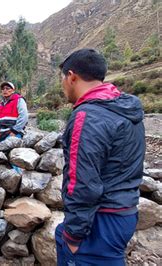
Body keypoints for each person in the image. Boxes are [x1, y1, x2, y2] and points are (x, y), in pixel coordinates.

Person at [55, 48, 145, 265]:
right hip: (125, 213)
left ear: (72, 77)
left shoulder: (87, 116)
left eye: (63, 79)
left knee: (68, 243)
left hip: (101, 219)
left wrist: (74, 235)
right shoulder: (126, 109)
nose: (63, 86)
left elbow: (83, 182)